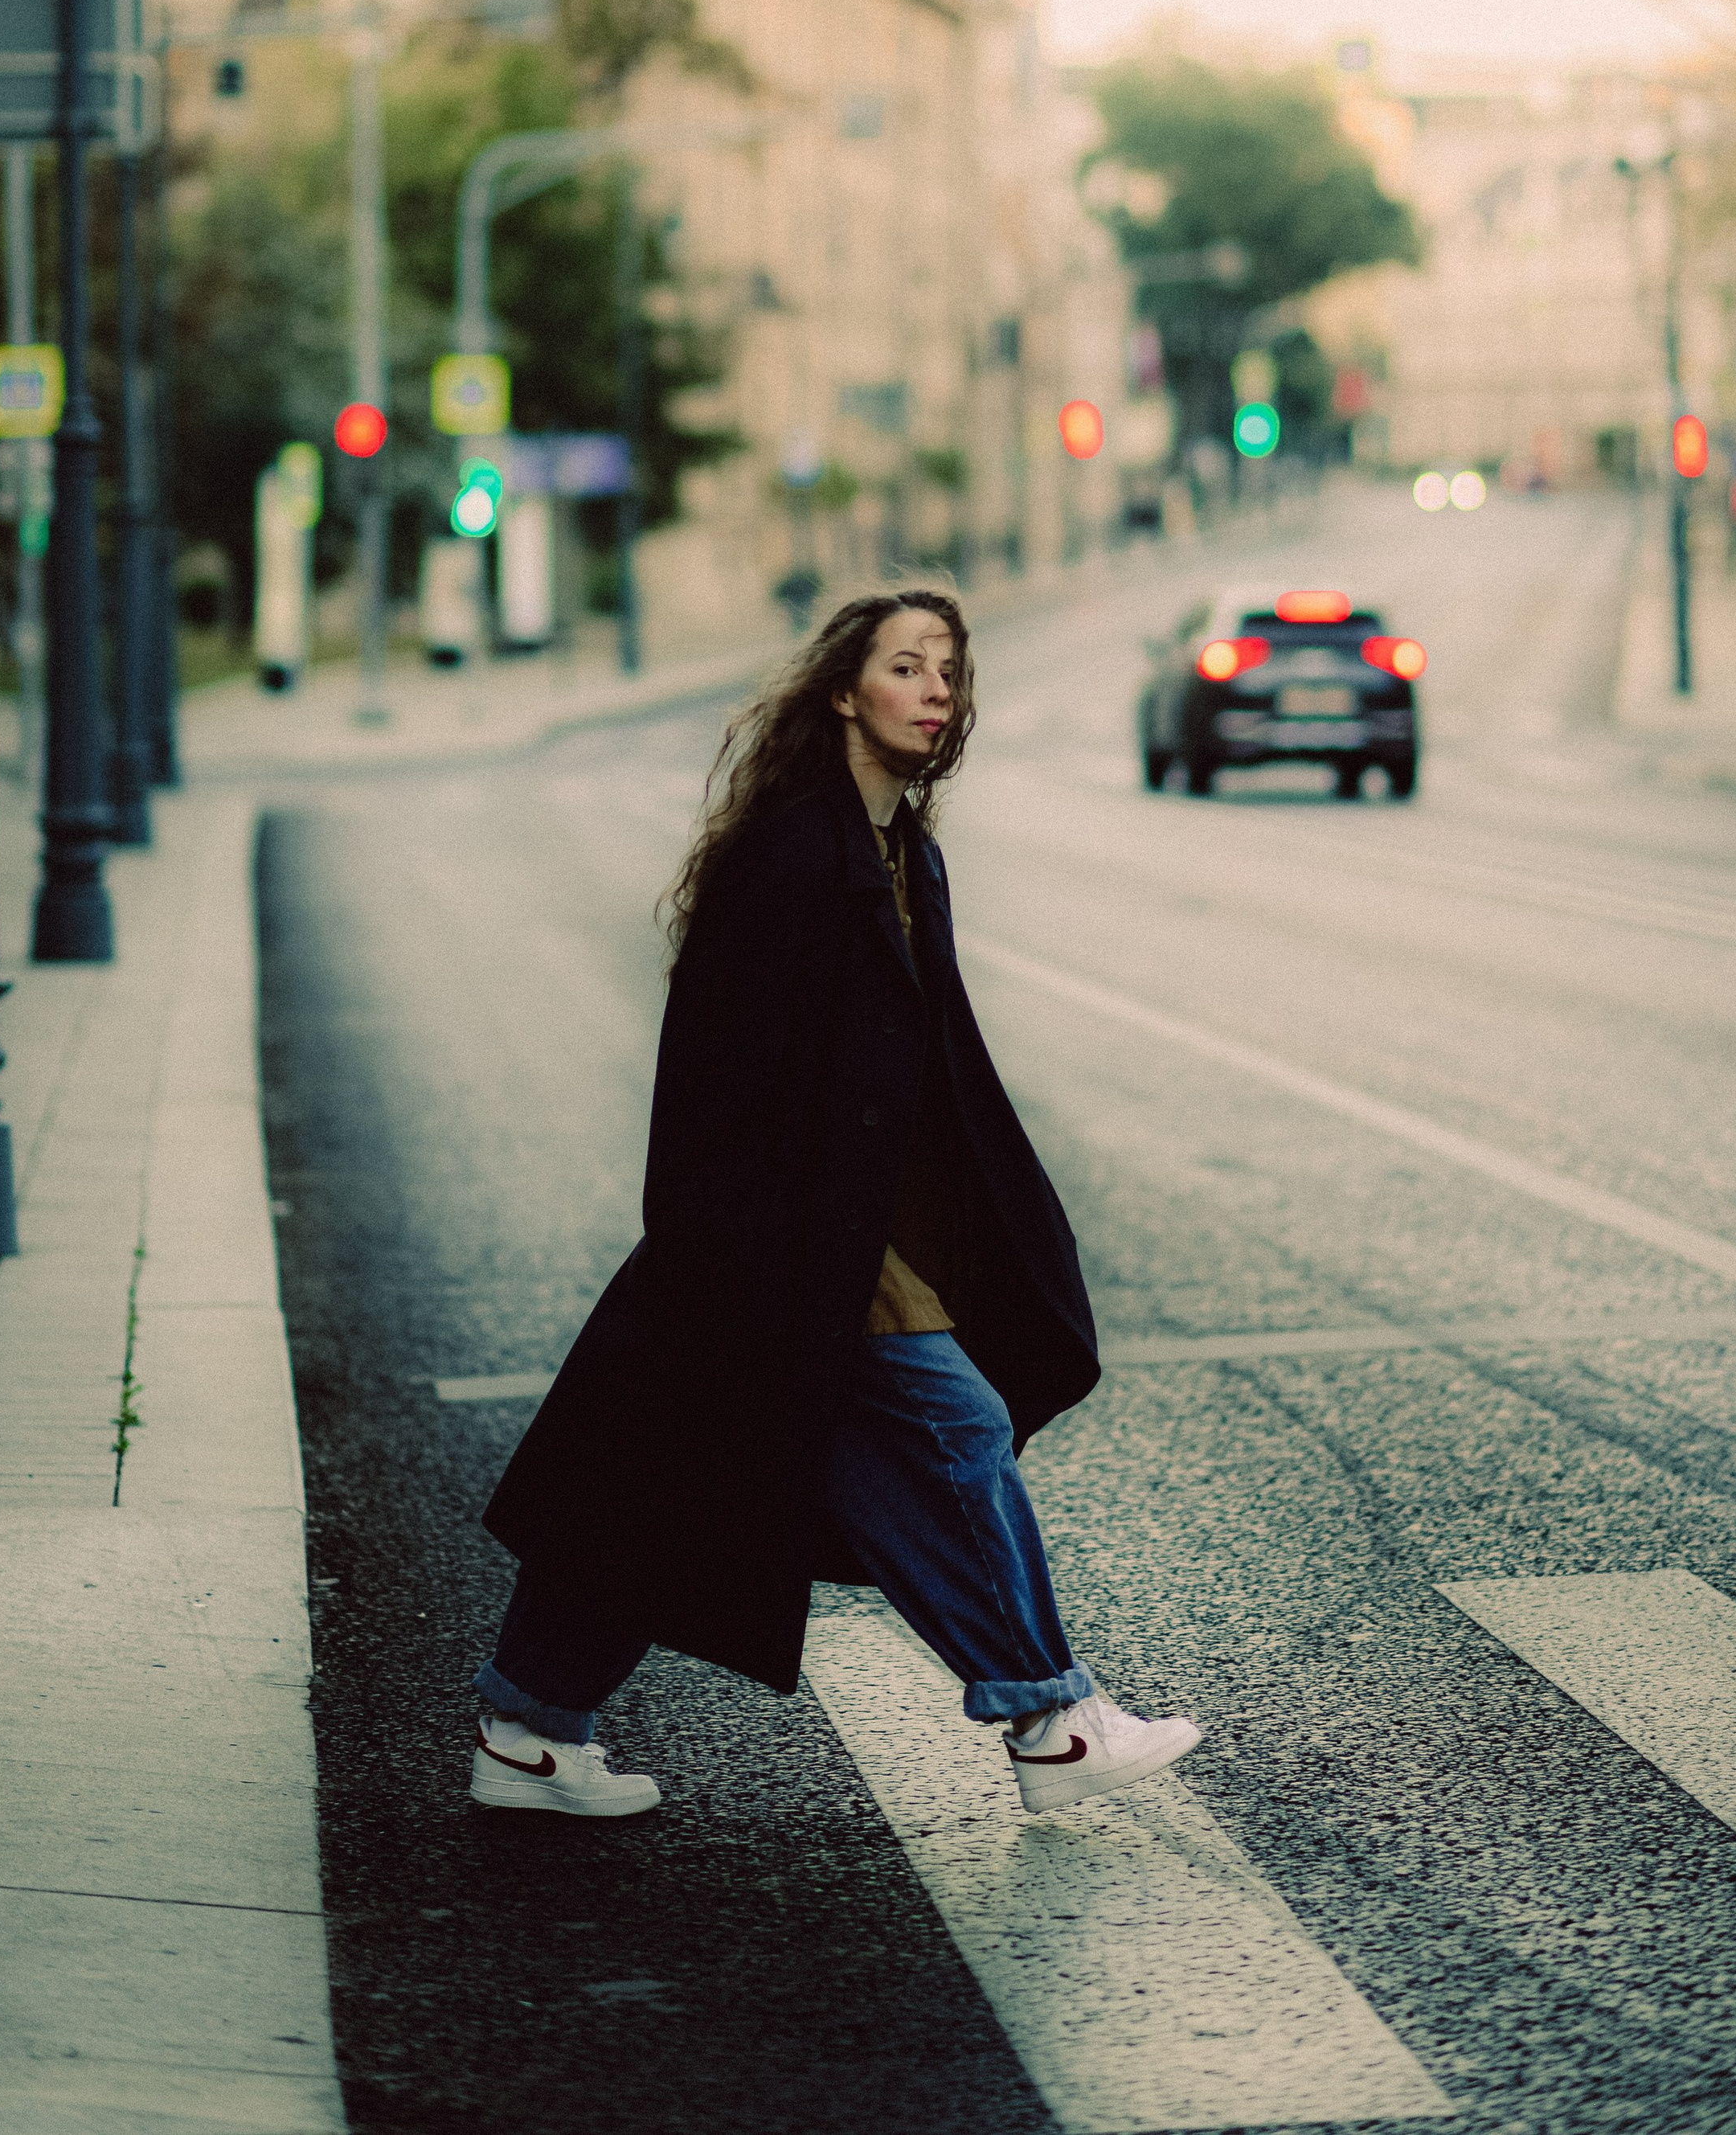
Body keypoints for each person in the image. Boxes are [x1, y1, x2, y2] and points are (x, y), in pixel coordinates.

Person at [469, 588, 1201, 1821]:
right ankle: (1049, 1716)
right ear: (842, 691)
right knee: (955, 1430)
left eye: (949, 673)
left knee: (653, 1479)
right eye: (907, 667)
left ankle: (528, 1735)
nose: (934, 692)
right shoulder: (794, 856)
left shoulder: (897, 849)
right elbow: (719, 1066)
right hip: (789, 1234)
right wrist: (733, 1241)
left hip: (837, 1226)